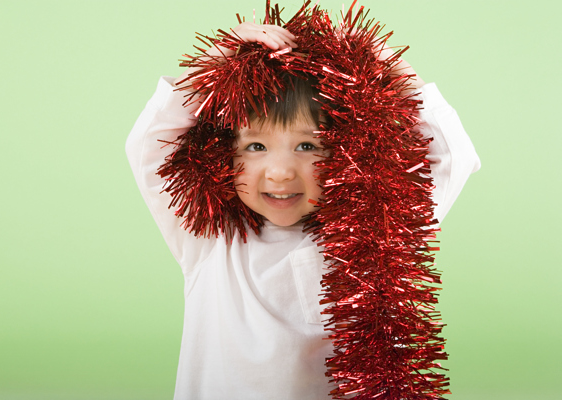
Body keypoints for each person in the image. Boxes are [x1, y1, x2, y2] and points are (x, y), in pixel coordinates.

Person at [125, 20, 480, 400]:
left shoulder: (376, 230)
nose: (280, 172)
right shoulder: (210, 237)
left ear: (345, 155)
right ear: (223, 155)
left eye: (308, 147)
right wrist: (220, 63)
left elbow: (452, 157)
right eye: (256, 147)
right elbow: (150, 146)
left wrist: (393, 69)